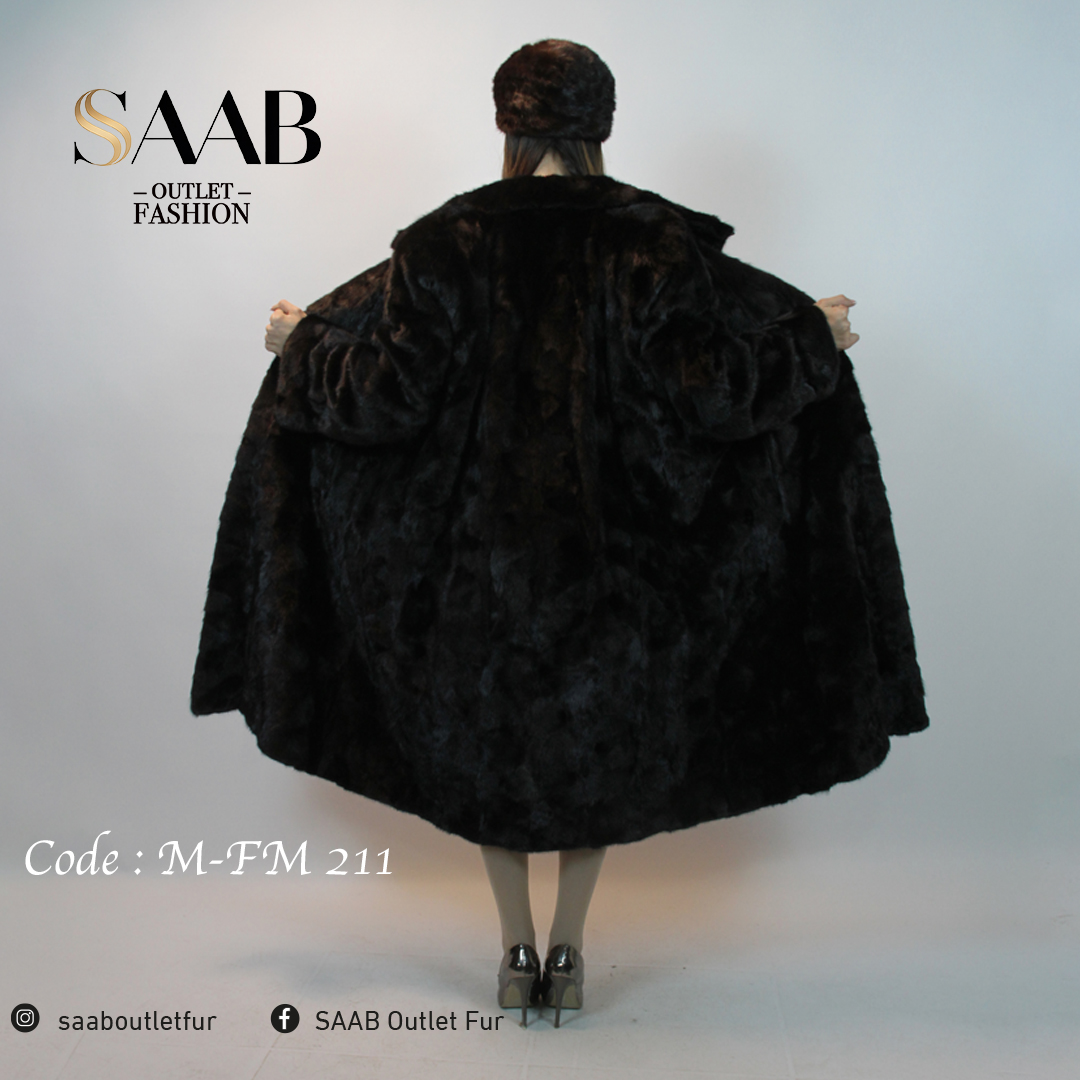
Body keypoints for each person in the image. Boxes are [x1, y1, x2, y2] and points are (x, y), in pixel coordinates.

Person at [191, 39, 927, 1028]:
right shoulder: (650, 241)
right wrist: (811, 339)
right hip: (619, 570)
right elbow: (715, 391)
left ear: (508, 120)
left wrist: (304, 348)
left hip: (473, 572)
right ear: (599, 122)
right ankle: (570, 951)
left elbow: (384, 395)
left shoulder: (447, 241)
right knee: (592, 760)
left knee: (488, 761)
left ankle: (515, 953)